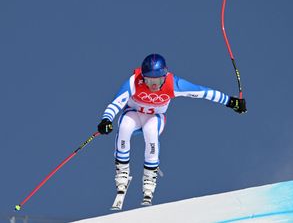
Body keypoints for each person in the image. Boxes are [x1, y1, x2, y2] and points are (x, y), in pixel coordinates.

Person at [97, 53, 246, 205]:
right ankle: (122, 174)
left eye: (158, 80)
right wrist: (106, 119)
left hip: (154, 117)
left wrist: (230, 101)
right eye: (149, 80)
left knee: (150, 133)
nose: (154, 86)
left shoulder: (173, 84)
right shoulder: (134, 82)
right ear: (143, 77)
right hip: (134, 113)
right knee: (124, 127)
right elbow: (116, 103)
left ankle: (149, 181)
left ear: (165, 75)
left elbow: (202, 92)